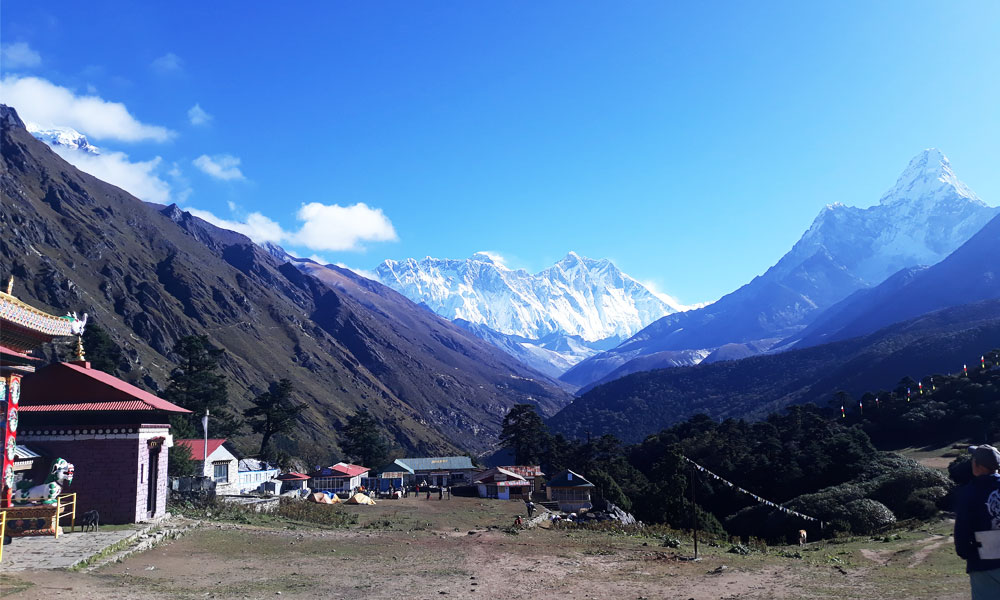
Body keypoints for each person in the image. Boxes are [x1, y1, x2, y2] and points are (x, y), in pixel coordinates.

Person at [954, 444, 1000, 599]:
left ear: (977, 465)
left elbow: (962, 530)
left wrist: (967, 553)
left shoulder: (971, 491)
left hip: (984, 564)